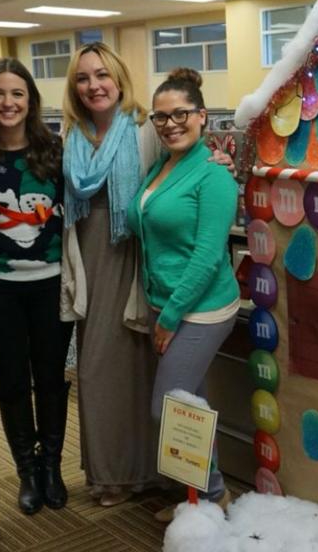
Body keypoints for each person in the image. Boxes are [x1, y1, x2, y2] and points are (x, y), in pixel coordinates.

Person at [126, 68, 239, 521]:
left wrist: (170, 317)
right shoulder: (164, 165)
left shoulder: (213, 177)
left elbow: (209, 256)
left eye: (181, 115)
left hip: (202, 308)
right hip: (166, 302)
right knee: (192, 402)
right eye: (161, 117)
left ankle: (211, 495)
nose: (170, 124)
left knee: (168, 407)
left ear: (202, 116)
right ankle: (200, 499)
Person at [0, 58, 73, 514]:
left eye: (17, 94)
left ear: (30, 100)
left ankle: (52, 468)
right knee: (12, 382)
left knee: (50, 379)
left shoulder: (57, 151)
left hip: (51, 285)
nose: (8, 103)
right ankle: (27, 473)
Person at [59, 41, 161, 508]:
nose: (93, 85)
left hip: (136, 260)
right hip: (89, 262)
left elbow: (181, 168)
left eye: (101, 75)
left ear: (118, 78)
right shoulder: (71, 137)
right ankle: (110, 472)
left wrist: (216, 160)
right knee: (96, 370)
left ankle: (145, 472)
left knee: (141, 369)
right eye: (83, 78)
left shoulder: (145, 130)